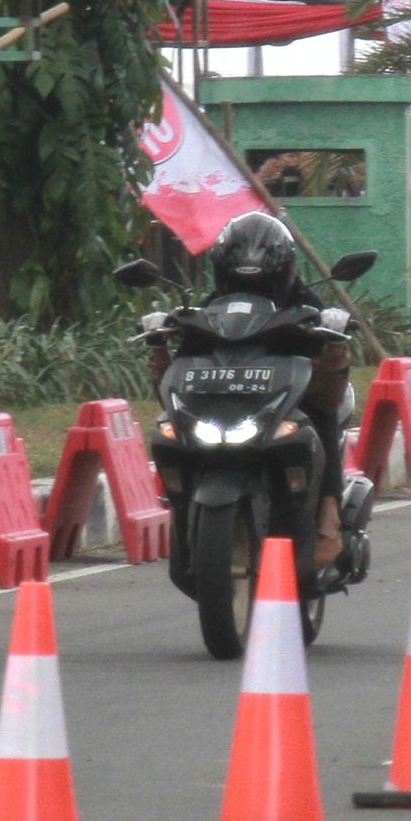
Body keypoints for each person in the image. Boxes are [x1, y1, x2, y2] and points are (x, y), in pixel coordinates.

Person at [147, 213, 353, 566]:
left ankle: (328, 511)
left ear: (284, 269)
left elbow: (329, 378)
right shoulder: (206, 311)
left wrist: (334, 334)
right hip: (225, 408)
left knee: (321, 414)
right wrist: (158, 340)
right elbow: (177, 375)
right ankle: (182, 514)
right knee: (166, 424)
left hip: (286, 401)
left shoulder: (307, 306)